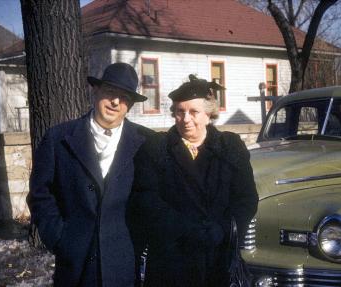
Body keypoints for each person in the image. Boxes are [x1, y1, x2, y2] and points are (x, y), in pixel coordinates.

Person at [27, 62, 154, 287]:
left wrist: (139, 240)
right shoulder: (59, 138)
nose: (116, 102)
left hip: (123, 263)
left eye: (124, 97)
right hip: (75, 264)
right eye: (110, 92)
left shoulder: (146, 142)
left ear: (131, 104)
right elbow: (40, 194)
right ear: (95, 91)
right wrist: (60, 238)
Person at [129, 74, 259, 287]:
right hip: (172, 259)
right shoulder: (156, 148)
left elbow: (246, 199)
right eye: (180, 112)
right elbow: (146, 200)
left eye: (194, 112)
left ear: (209, 115)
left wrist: (223, 230)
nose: (186, 119)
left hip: (218, 258)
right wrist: (187, 230)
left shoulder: (230, 147)